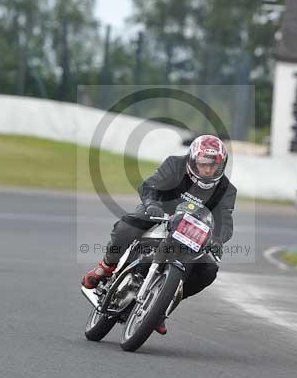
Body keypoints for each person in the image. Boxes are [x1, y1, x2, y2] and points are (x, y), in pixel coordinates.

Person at [81, 135, 237, 335]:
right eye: (203, 164)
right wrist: (152, 204)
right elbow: (150, 185)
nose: (207, 170)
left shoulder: (226, 189)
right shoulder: (175, 164)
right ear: (192, 160)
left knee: (208, 270)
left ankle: (161, 307)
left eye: (213, 166)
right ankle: (105, 267)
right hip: (159, 213)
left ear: (221, 165)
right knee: (127, 226)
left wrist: (218, 239)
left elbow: (225, 220)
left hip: (191, 232)